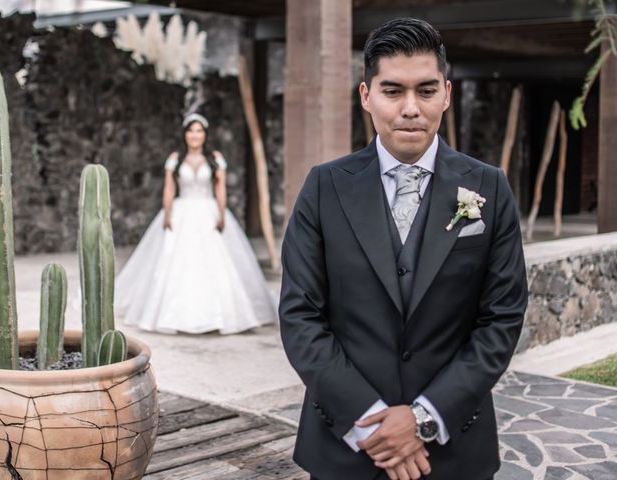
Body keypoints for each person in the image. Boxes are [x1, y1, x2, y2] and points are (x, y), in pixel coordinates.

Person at [279, 17, 528, 480]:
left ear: (447, 95)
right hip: (346, 449)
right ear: (366, 96)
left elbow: (502, 319)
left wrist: (422, 419)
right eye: (393, 91)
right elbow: (300, 316)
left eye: (426, 91)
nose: (410, 108)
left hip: (454, 450)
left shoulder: (489, 188)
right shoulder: (323, 187)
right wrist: (371, 422)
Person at [115, 113, 277, 334]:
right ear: (185, 134)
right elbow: (169, 188)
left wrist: (221, 214)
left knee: (216, 262)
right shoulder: (175, 158)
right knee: (176, 262)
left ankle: (220, 315)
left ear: (205, 135)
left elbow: (220, 188)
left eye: (199, 131)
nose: (195, 135)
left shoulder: (215, 158)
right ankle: (173, 314)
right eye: (191, 130)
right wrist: (168, 214)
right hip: (182, 211)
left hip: (207, 210)